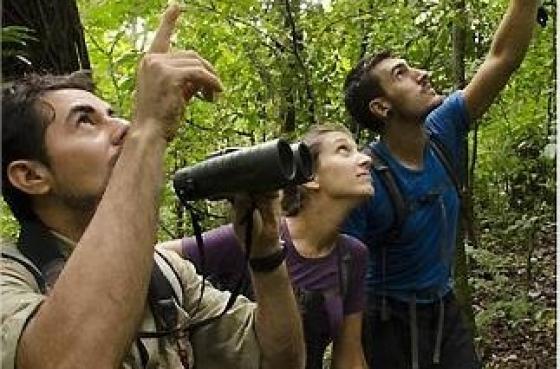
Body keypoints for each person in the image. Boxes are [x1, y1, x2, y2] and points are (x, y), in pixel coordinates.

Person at [0, 5, 305, 369]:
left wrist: (266, 254)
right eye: (85, 121)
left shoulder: (164, 271)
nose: (124, 127)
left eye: (115, 114)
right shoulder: (11, 278)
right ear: (31, 176)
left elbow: (279, 360)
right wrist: (149, 129)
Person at [342, 1, 539, 369]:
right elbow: (342, 278)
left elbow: (502, 58)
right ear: (381, 108)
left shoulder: (444, 129)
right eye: (401, 73)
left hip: (444, 313)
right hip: (387, 325)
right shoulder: (363, 179)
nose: (423, 73)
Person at [162, 124, 373, 369]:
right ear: (310, 176)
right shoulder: (256, 234)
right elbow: (159, 259)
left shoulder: (351, 256)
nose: (365, 159)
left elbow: (350, 358)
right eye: (343, 150)